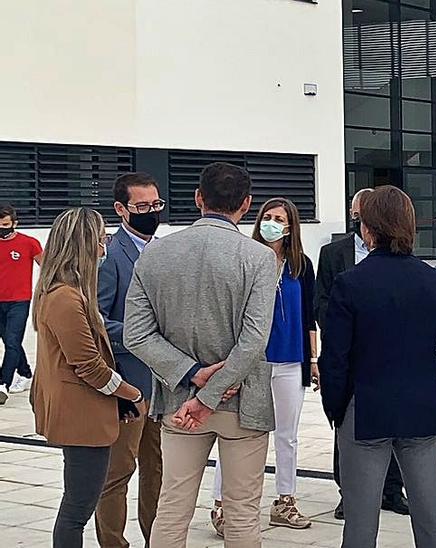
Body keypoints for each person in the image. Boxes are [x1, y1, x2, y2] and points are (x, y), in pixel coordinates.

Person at [124, 162, 280, 548]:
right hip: (243, 404)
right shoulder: (259, 257)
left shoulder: (156, 255)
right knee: (242, 512)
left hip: (180, 401)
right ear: (246, 204)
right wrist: (210, 393)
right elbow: (254, 339)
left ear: (198, 199)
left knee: (172, 507)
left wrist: (193, 376)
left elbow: (136, 334)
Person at [319, 185, 436, 548]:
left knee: (360, 521)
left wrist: (337, 409)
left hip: (364, 408)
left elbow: (334, 358)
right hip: (420, 406)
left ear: (367, 229)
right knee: (431, 514)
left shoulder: (350, 283)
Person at [30, 207, 145, 548]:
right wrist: (131, 393)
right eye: (99, 237)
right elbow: (89, 365)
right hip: (81, 417)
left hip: (83, 412)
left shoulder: (70, 291)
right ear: (83, 243)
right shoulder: (65, 297)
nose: (104, 244)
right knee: (77, 509)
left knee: (77, 504)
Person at [210, 198, 317, 535]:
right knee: (235, 432)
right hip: (251, 362)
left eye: (279, 219)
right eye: (267, 217)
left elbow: (310, 317)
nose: (271, 223)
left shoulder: (302, 266)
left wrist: (312, 360)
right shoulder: (245, 258)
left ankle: (285, 501)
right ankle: (221, 504)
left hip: (290, 360)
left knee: (287, 436)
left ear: (290, 227)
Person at [315, 188, 410, 519]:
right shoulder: (332, 252)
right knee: (346, 426)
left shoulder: (399, 254)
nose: (359, 218)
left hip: (387, 353)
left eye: (364, 213)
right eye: (355, 212)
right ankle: (349, 493)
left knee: (394, 423)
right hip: (348, 352)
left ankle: (392, 491)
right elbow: (322, 301)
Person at [95, 173, 166, 548]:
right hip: (129, 380)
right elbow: (97, 319)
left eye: (156, 205)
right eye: (142, 207)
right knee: (119, 471)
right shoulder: (110, 257)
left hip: (165, 383)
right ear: (121, 209)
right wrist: (141, 332)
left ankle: (158, 538)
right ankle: (113, 542)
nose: (151, 213)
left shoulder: (166, 250)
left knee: (158, 471)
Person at [0, 202, 43, 402]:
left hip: (19, 300)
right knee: (10, 340)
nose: (2, 229)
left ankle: (3, 383)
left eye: (5, 224)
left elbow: (47, 266)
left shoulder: (29, 243)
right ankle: (25, 372)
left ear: (14, 223)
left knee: (12, 341)